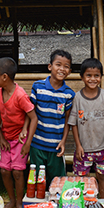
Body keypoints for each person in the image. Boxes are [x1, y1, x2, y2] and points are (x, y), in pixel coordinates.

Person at [0, 57, 38, 208]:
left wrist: (27, 143)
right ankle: (10, 200)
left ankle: (19, 201)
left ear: (4, 77)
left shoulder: (20, 95)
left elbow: (33, 117)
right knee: (4, 170)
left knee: (17, 172)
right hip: (6, 138)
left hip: (20, 140)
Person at [68, 58, 104, 197]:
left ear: (101, 77)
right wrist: (78, 145)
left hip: (102, 148)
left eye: (96, 75)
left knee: (102, 177)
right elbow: (74, 124)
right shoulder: (77, 98)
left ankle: (102, 203)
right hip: (83, 150)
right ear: (82, 77)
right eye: (88, 75)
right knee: (84, 179)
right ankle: (84, 204)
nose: (92, 79)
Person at [29, 50, 75, 186]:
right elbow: (30, 113)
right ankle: (38, 205)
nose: (62, 69)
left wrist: (63, 141)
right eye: (58, 65)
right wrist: (26, 133)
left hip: (56, 146)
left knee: (57, 182)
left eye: (66, 66)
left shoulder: (69, 94)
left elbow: (68, 120)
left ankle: (55, 205)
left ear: (70, 71)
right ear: (50, 67)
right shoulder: (38, 87)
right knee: (37, 180)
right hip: (37, 144)